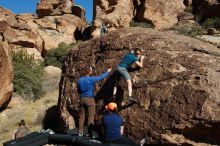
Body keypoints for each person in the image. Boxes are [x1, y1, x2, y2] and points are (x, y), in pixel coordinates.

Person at [77, 66, 112, 136]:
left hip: (82, 99)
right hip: (90, 100)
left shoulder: (79, 80)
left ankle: (80, 132)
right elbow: (100, 77)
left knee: (81, 117)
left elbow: (78, 91)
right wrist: (108, 72)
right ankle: (89, 133)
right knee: (90, 117)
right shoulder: (91, 79)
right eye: (91, 70)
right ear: (89, 72)